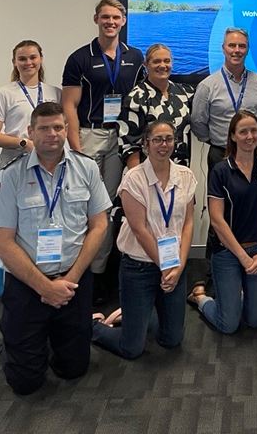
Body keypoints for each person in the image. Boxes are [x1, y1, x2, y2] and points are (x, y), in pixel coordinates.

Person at [0, 102, 111, 395]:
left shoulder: (87, 167)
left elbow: (99, 226)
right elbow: (2, 242)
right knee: (26, 383)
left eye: (58, 127)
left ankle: (47, 337)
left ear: (67, 130)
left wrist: (70, 280)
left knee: (73, 370)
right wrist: (44, 287)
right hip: (28, 283)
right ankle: (13, 342)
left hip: (73, 280)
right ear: (30, 132)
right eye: (44, 128)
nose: (52, 134)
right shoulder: (10, 175)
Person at [61, 0, 145, 301]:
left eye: (116, 17)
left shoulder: (135, 57)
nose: (111, 22)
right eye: (105, 17)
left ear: (123, 20)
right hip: (89, 134)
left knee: (108, 209)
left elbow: (140, 100)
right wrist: (76, 147)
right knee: (85, 206)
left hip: (121, 139)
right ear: (96, 18)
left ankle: (99, 275)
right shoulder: (80, 58)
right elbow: (68, 105)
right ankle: (78, 273)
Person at [92, 121, 196, 358]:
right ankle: (93, 326)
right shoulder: (133, 179)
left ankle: (133, 313)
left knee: (172, 340)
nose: (164, 145)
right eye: (157, 139)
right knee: (132, 349)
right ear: (146, 144)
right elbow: (139, 229)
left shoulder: (186, 175)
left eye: (169, 139)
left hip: (174, 265)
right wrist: (166, 266)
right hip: (138, 267)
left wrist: (179, 265)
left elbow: (188, 223)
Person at [187, 110, 257, 334]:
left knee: (255, 321)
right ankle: (200, 298)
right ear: (233, 136)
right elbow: (217, 220)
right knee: (229, 325)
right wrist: (243, 258)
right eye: (243, 131)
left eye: (254, 131)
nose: (249, 136)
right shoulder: (220, 171)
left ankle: (243, 293)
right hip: (227, 253)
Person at [191, 27, 257, 172]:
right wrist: (216, 140)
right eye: (232, 45)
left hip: (256, 152)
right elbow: (197, 121)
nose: (237, 50)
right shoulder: (207, 85)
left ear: (247, 49)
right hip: (222, 154)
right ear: (223, 48)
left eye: (242, 46)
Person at [0, 40, 61, 168]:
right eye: (22, 59)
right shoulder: (3, 94)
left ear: (41, 59)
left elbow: (64, 127)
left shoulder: (56, 93)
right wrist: (23, 143)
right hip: (15, 160)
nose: (28, 63)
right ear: (14, 62)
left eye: (33, 57)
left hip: (49, 160)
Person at [118, 43, 194, 168]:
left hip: (180, 170)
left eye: (167, 61)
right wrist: (137, 180)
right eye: (156, 61)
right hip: (148, 173)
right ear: (146, 65)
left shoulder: (184, 93)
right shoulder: (136, 98)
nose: (163, 65)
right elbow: (130, 146)